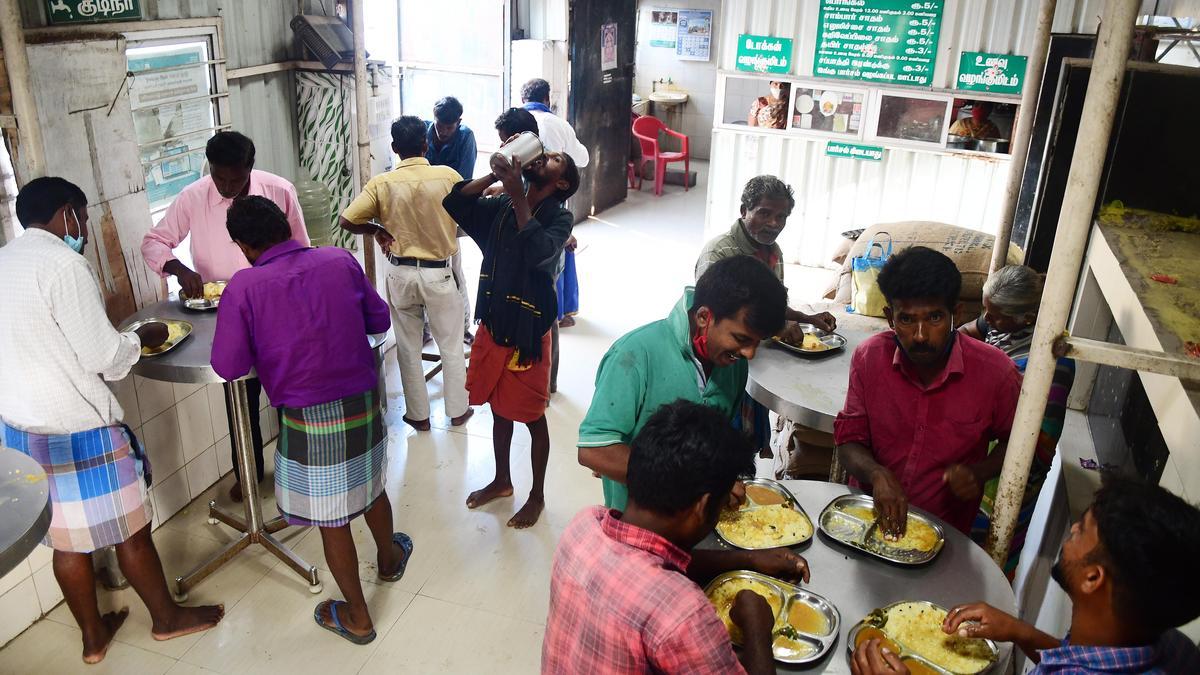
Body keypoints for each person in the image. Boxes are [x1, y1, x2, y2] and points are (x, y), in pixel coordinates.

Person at [1, 177, 223, 664]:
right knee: (131, 530)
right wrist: (142, 338)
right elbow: (103, 355)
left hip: (22, 431)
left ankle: (93, 638)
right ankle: (166, 620)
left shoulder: (3, 262)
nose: (82, 229)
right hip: (79, 429)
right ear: (67, 214)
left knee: (66, 543)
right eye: (82, 217)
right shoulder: (64, 265)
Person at [210, 197, 412, 646]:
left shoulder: (244, 287)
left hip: (307, 414)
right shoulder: (338, 260)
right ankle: (388, 558)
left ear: (243, 245)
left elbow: (228, 366)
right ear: (286, 227)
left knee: (331, 519)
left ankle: (358, 617)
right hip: (360, 398)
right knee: (372, 485)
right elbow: (378, 318)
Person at [545, 401, 811, 675]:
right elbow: (662, 592)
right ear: (702, 506)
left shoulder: (584, 525)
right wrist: (757, 627)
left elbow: (651, 563)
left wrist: (749, 559)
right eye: (722, 504)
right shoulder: (683, 613)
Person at [851, 477, 1200, 675]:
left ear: (1093, 579)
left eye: (1082, 530)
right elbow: (1079, 659)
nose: (1072, 529)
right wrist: (1020, 632)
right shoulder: (1173, 648)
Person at [142, 130, 310, 503]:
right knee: (239, 398)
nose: (227, 187)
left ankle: (296, 469)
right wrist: (177, 268)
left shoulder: (279, 190)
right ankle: (248, 472)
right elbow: (154, 241)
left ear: (250, 167)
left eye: (235, 179)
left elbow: (300, 248)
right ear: (211, 168)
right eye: (220, 178)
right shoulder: (193, 196)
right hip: (226, 315)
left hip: (278, 311)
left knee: (288, 394)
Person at [834, 246, 1022, 536]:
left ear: (956, 314)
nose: (920, 336)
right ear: (889, 317)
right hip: (867, 522)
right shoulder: (869, 357)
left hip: (946, 533)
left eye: (934, 318)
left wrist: (979, 472)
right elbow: (848, 441)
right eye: (907, 319)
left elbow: (1019, 443)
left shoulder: (996, 372)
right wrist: (877, 473)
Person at [579, 255, 789, 512]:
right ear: (704, 317)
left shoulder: (734, 365)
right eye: (741, 338)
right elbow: (595, 450)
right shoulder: (634, 355)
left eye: (757, 342)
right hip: (637, 522)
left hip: (696, 522)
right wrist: (694, 488)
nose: (749, 354)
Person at [442, 144, 580, 528]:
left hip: (528, 333)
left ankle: (537, 496)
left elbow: (538, 251)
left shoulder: (559, 218)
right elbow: (455, 202)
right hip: (496, 321)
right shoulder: (503, 205)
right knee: (498, 409)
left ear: (562, 183)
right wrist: (495, 175)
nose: (544, 158)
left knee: (533, 417)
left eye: (554, 160)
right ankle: (502, 480)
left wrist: (517, 194)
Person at [338, 116, 473, 431]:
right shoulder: (447, 176)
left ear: (394, 147)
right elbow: (468, 214)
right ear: (426, 144)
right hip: (439, 274)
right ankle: (457, 411)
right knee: (450, 345)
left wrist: (376, 230)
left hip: (401, 274)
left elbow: (347, 220)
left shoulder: (381, 183)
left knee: (408, 347)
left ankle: (419, 416)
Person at [695, 175, 837, 469]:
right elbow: (713, 318)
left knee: (741, 445)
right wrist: (776, 329)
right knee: (714, 438)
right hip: (720, 363)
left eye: (781, 216)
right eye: (764, 213)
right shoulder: (719, 253)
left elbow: (773, 306)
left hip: (752, 361)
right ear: (744, 210)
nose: (773, 223)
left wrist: (806, 318)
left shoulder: (772, 252)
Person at [959, 265, 1075, 578]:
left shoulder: (1051, 364)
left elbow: (1038, 439)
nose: (988, 319)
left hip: (1011, 466)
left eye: (996, 316)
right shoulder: (999, 322)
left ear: (1027, 317)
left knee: (994, 548)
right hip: (984, 444)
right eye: (986, 310)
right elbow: (966, 333)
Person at [492, 107, 579, 394]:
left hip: (545, 251)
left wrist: (565, 234)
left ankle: (547, 382)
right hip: (524, 248)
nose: (506, 145)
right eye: (503, 141)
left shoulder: (544, 163)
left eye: (509, 139)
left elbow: (551, 212)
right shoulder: (526, 164)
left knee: (544, 311)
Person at [521, 78, 590, 388]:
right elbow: (582, 158)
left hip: (531, 206)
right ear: (547, 98)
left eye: (552, 158)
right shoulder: (558, 124)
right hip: (542, 211)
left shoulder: (519, 122)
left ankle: (542, 383)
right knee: (549, 285)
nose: (542, 159)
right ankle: (547, 383)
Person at [424, 96, 477, 344]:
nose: (443, 132)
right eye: (439, 125)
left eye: (449, 127)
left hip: (451, 213)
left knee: (453, 270)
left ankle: (464, 327)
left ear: (459, 122)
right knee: (424, 273)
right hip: (423, 212)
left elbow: (463, 182)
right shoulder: (423, 131)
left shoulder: (466, 137)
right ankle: (425, 329)